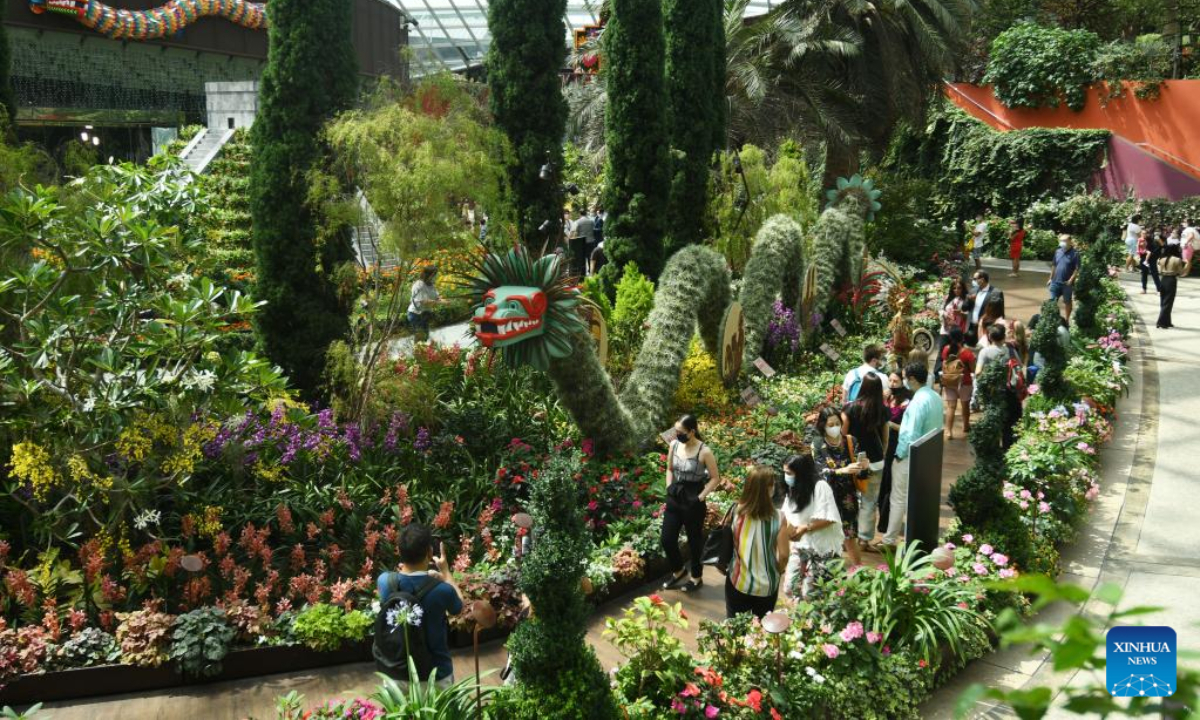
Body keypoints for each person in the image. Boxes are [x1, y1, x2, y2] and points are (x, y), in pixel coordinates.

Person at [375, 523, 464, 689]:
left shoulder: (385, 581)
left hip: (396, 674)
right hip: (435, 676)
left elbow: (406, 582)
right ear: (430, 552)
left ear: (399, 551)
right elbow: (459, 606)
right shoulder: (442, 590)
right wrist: (445, 572)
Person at [879, 362, 943, 548]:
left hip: (909, 457)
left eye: (906, 377)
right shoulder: (935, 397)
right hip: (928, 455)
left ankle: (889, 540)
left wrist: (899, 456)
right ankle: (919, 539)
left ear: (913, 379)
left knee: (898, 498)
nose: (904, 380)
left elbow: (910, 434)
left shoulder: (917, 402)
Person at [662, 415, 723, 593]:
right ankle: (679, 571)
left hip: (694, 498)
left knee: (694, 541)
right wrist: (668, 486)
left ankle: (696, 577)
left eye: (680, 432)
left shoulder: (704, 451)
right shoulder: (674, 445)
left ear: (691, 431)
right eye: (676, 431)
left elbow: (715, 478)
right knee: (667, 539)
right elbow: (669, 468)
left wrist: (701, 497)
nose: (676, 434)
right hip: (675, 495)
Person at [725, 465, 790, 619]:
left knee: (735, 628)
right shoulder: (779, 517)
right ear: (769, 489)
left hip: (738, 581)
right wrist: (778, 570)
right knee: (761, 630)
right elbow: (784, 555)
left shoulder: (736, 511)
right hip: (767, 586)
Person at [780, 454, 843, 600]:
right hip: (800, 545)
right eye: (784, 472)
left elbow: (830, 518)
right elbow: (786, 516)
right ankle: (799, 619)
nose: (786, 476)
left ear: (801, 473)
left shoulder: (820, 487)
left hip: (821, 547)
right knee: (790, 587)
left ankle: (808, 621)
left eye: (789, 473)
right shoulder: (792, 488)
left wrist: (806, 528)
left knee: (811, 592)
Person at [813, 407, 867, 565]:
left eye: (837, 423)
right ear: (823, 425)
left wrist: (863, 467)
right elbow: (820, 472)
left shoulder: (850, 441)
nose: (834, 427)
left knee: (850, 537)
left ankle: (859, 571)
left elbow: (861, 475)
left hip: (847, 498)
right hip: (827, 498)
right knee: (826, 535)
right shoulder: (818, 445)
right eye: (830, 424)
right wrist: (842, 470)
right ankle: (826, 570)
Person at [842, 374, 889, 551]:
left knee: (849, 499)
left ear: (862, 387)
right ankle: (864, 540)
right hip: (875, 462)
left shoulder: (849, 409)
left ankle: (847, 538)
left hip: (853, 462)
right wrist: (880, 455)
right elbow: (885, 438)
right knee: (870, 501)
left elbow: (842, 435)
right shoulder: (883, 411)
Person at [876, 371, 913, 533]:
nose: (891, 384)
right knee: (882, 484)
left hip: (896, 445)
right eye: (890, 380)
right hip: (883, 444)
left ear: (903, 382)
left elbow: (906, 429)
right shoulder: (887, 398)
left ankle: (886, 523)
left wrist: (889, 424)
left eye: (895, 381)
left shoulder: (907, 402)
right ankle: (882, 519)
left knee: (890, 484)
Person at [939, 326, 975, 439]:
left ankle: (948, 431)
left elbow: (944, 363)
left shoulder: (946, 349)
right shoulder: (967, 353)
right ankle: (966, 426)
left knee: (951, 406)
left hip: (949, 381)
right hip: (964, 382)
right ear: (962, 338)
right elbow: (973, 369)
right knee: (965, 406)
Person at [935, 278, 969, 383]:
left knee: (955, 353)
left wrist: (961, 314)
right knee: (941, 352)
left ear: (963, 289)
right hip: (945, 330)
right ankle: (937, 375)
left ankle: (953, 375)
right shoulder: (948, 299)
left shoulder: (966, 301)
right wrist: (944, 316)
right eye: (954, 288)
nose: (956, 290)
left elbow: (969, 316)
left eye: (959, 288)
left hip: (957, 332)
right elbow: (941, 310)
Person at [1047, 234, 1081, 322]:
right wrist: (1050, 278)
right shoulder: (1057, 251)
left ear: (1070, 241)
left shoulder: (1075, 254)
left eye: (1064, 241)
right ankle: (1051, 319)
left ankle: (1066, 320)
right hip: (1055, 282)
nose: (1062, 243)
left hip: (1067, 284)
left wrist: (1071, 280)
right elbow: (1054, 266)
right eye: (1061, 241)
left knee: (1067, 302)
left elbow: (1077, 269)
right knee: (1052, 301)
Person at [407, 265, 446, 340]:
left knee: (425, 337)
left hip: (425, 313)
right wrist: (439, 302)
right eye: (434, 274)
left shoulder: (430, 284)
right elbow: (424, 301)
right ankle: (418, 351)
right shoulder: (419, 284)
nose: (435, 276)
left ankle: (421, 351)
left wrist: (443, 300)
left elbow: (437, 296)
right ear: (429, 274)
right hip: (415, 314)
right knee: (420, 337)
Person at [966, 270, 1002, 347]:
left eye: (975, 279)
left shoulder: (996, 292)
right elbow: (965, 307)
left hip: (985, 328)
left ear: (982, 280)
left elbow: (999, 312)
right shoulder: (973, 290)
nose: (973, 281)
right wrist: (969, 299)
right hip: (971, 327)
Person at [1157, 243, 1185, 329]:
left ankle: (1167, 321)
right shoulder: (1177, 260)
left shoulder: (1161, 259)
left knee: (1163, 301)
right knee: (1168, 302)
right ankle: (1161, 322)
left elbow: (1159, 271)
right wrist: (1187, 264)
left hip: (1163, 279)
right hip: (1171, 280)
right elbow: (1181, 272)